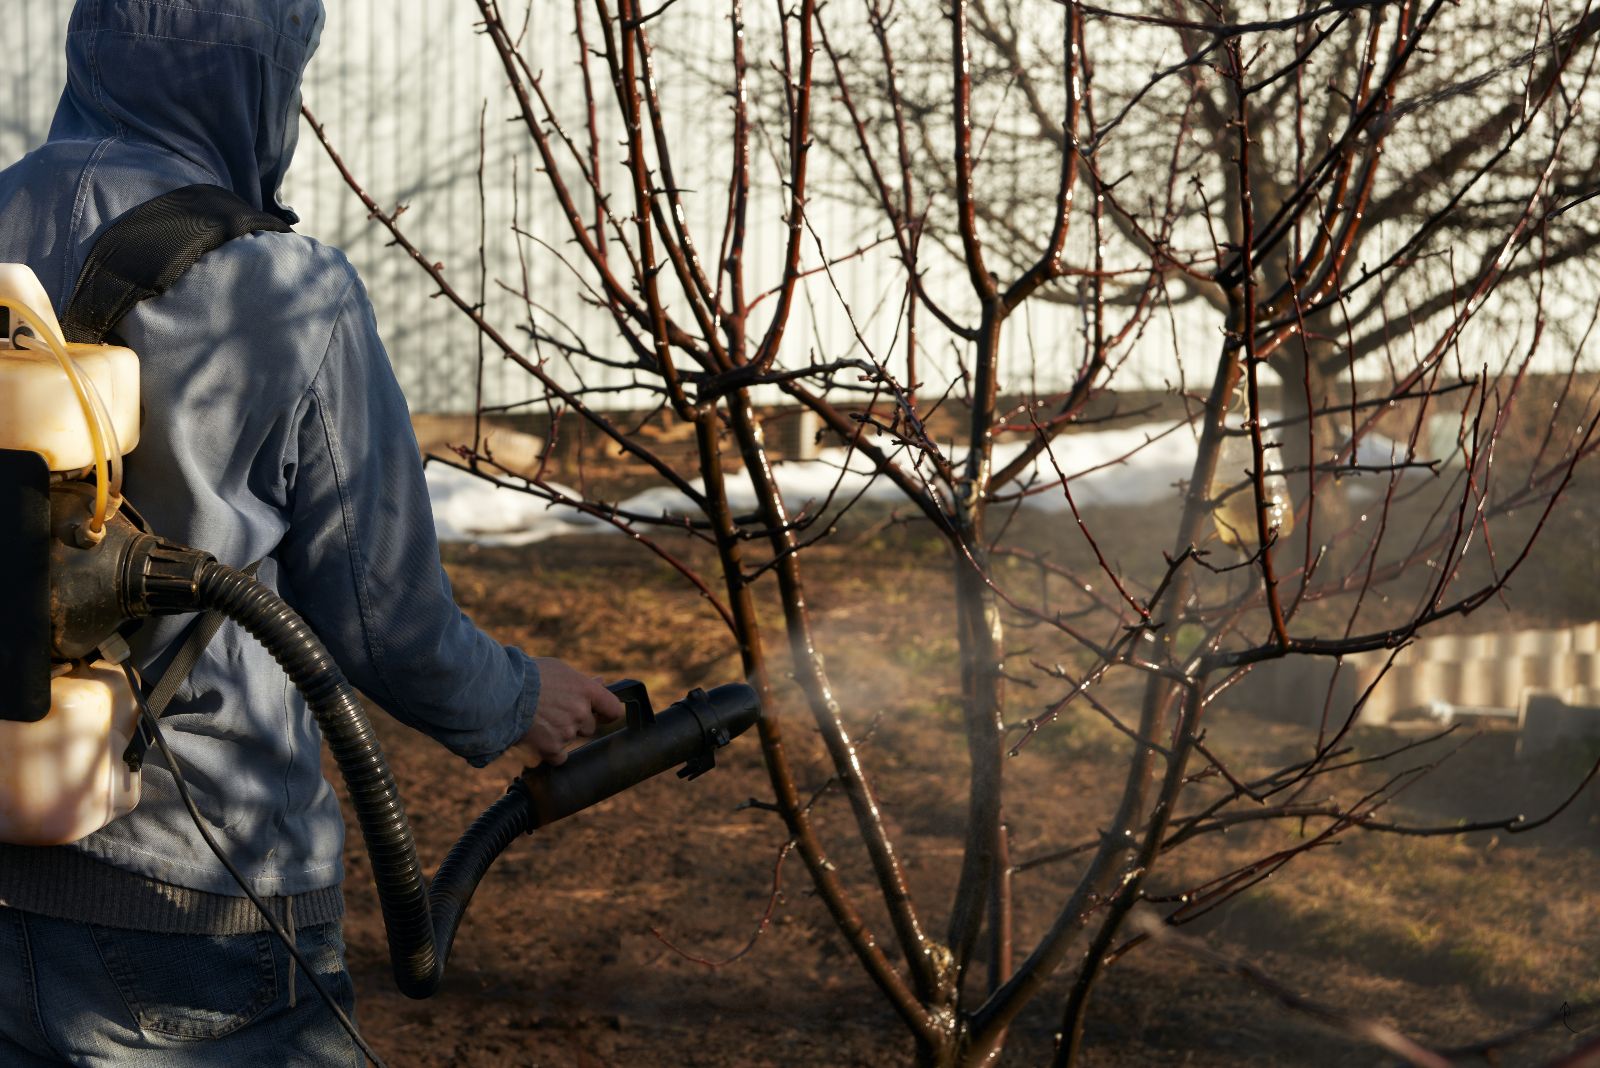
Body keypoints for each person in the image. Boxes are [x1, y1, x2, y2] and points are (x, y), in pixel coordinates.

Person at [0, 1, 624, 1063]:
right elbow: (382, 618)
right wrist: (519, 696)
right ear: (256, 79)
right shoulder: (285, 294)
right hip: (196, 898)